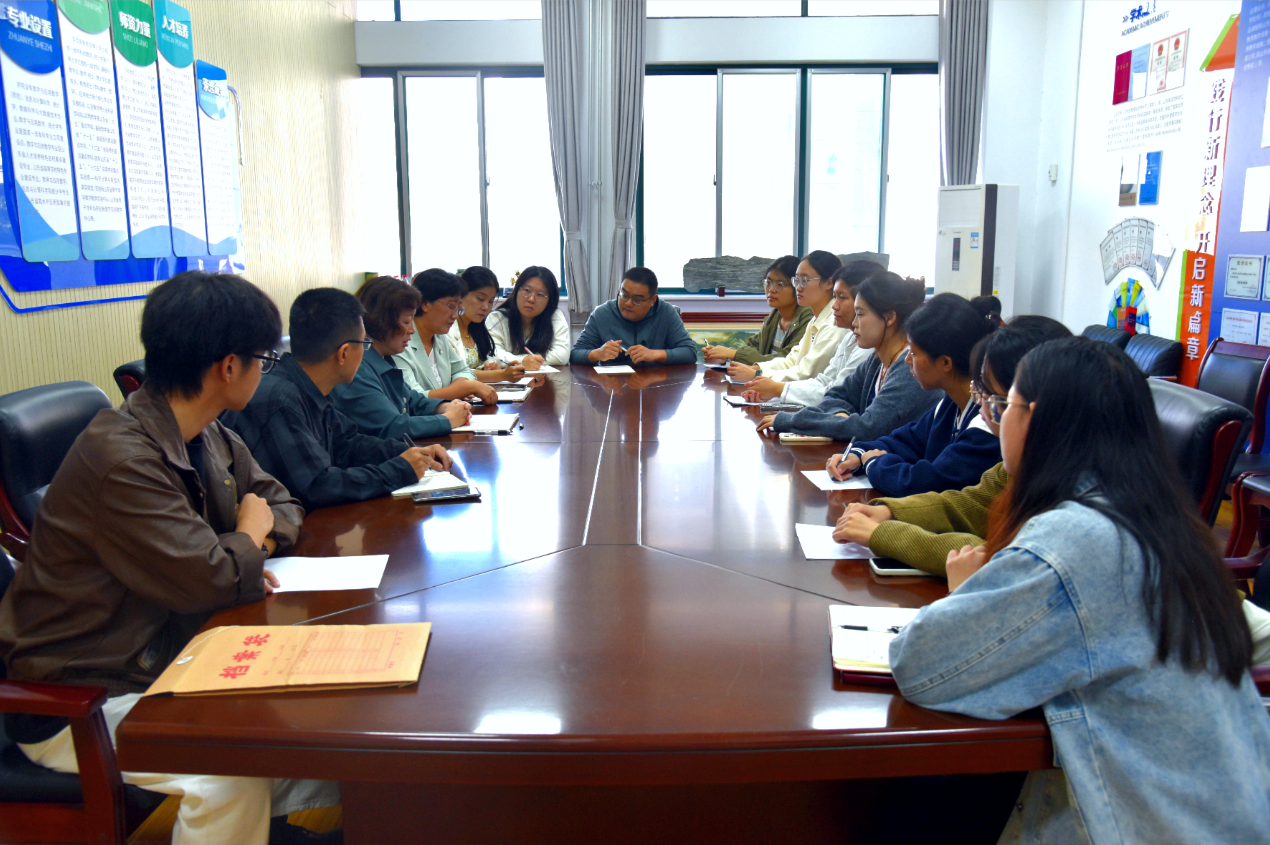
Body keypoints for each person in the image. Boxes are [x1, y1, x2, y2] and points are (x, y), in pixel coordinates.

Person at [0, 270, 337, 845]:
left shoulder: (205, 433)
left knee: (329, 726)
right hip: (82, 696)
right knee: (226, 769)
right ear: (228, 367)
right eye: (264, 359)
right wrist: (248, 538)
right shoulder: (121, 458)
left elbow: (280, 501)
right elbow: (213, 577)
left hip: (170, 653)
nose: (266, 371)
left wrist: (255, 538)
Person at [888, 337, 1270, 843]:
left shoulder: (1076, 539)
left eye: (1003, 406)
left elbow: (922, 665)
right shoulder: (1152, 517)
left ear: (1038, 420)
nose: (995, 420)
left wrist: (966, 593)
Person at [832, 315, 1072, 573]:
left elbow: (998, 559)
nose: (982, 405)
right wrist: (888, 511)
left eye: (994, 399)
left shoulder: (1071, 498)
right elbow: (967, 504)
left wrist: (883, 533)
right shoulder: (1029, 461)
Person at [221, 288, 453, 511]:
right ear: (344, 353)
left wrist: (413, 452)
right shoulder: (281, 399)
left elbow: (348, 444)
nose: (365, 352)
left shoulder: (308, 387)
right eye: (364, 344)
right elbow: (316, 487)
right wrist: (399, 470)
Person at [824, 293, 1000, 497]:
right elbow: (906, 441)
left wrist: (873, 463)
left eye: (914, 353)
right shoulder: (950, 404)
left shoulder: (988, 419)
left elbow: (929, 482)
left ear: (945, 362)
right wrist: (857, 453)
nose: (907, 360)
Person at [757, 273, 938, 440]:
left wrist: (793, 421)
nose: (854, 323)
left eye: (860, 314)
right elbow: (835, 395)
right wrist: (840, 415)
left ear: (889, 318)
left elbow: (867, 428)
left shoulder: (908, 368)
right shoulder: (876, 361)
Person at [331, 276, 472, 439]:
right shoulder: (357, 367)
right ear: (381, 321)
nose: (412, 330)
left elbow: (412, 400)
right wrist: (448, 420)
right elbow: (391, 427)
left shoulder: (383, 358)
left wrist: (444, 407)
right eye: (406, 322)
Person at [742, 261, 881, 406]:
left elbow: (836, 393)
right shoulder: (846, 335)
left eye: (843, 297)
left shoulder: (859, 341)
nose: (834, 305)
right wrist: (770, 383)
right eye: (835, 297)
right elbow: (822, 380)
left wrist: (775, 387)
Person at [726, 250, 846, 384]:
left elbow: (807, 373)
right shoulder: (816, 320)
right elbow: (792, 361)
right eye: (796, 281)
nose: (798, 288)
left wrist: (757, 374)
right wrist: (756, 368)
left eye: (804, 280)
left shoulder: (835, 324)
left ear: (829, 283)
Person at [396, 268, 497, 404]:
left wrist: (457, 390)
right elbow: (412, 399)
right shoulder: (400, 342)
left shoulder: (438, 337)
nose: (455, 315)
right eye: (451, 306)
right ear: (425, 304)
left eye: (458, 308)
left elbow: (464, 371)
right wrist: (462, 389)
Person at [570, 266, 698, 366]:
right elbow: (575, 354)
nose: (628, 303)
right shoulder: (602, 314)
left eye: (637, 299)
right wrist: (597, 354)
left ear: (653, 300)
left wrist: (655, 354)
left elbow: (690, 353)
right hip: (614, 385)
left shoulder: (666, 313)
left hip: (655, 384)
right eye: (624, 295)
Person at [701, 255, 812, 366]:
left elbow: (786, 361)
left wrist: (733, 354)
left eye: (780, 284)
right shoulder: (774, 317)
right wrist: (725, 357)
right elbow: (754, 348)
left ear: (797, 286)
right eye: (768, 283)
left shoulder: (808, 320)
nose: (771, 290)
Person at [449, 265, 525, 382]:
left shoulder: (476, 329)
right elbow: (454, 374)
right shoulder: (447, 330)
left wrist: (488, 367)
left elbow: (488, 358)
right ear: (461, 295)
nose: (486, 307)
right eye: (480, 299)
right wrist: (500, 375)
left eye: (490, 301)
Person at [486, 265, 571, 369]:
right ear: (517, 290)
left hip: (545, 377)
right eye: (526, 290)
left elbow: (561, 356)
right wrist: (523, 361)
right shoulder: (497, 318)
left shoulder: (555, 316)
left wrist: (522, 360)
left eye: (540, 295)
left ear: (550, 300)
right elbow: (493, 354)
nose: (531, 299)